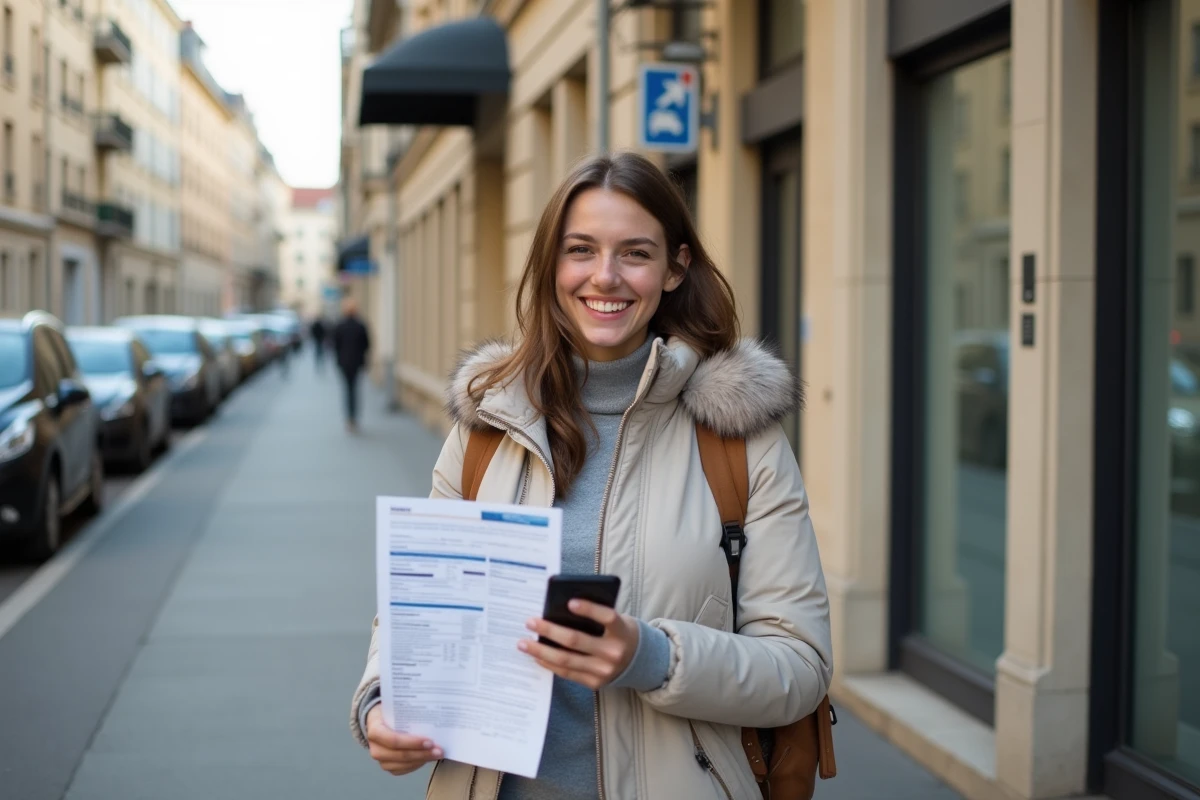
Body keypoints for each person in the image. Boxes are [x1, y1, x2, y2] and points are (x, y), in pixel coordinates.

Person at [349, 152, 832, 799]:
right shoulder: (487, 424)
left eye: (634, 253)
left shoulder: (739, 438)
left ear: (674, 268)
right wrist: (380, 704)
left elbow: (800, 667)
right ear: (552, 266)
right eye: (581, 250)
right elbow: (419, 607)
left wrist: (651, 657)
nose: (605, 277)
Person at [332, 297, 370, 432]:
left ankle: (349, 418)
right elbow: (367, 345)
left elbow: (335, 345)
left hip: (344, 363)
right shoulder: (360, 325)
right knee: (354, 389)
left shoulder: (340, 326)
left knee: (347, 389)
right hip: (357, 363)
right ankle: (354, 418)